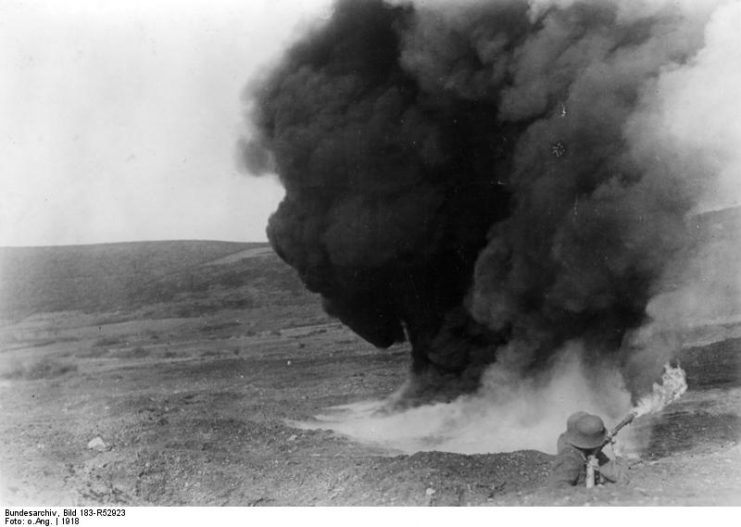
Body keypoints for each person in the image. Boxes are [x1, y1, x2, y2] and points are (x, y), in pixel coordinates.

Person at [549, 412, 628, 488]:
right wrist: (593, 492)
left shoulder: (585, 450)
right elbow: (558, 489)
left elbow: (619, 476)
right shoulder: (569, 459)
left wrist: (618, 454)